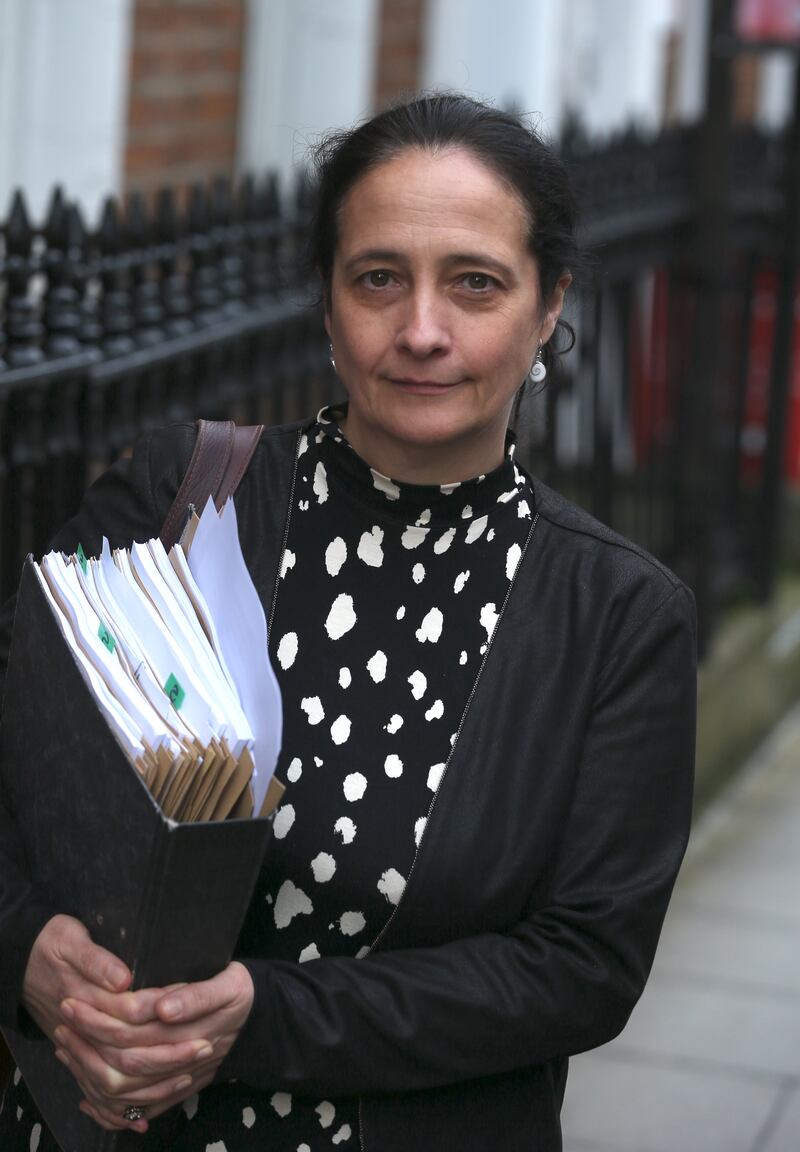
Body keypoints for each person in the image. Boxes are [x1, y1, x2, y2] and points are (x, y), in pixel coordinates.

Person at [0, 93, 696, 1151]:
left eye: (474, 283)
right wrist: (24, 946)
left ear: (547, 305)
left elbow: (580, 968)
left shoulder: (615, 616)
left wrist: (258, 1020)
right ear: (327, 304)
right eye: (378, 278)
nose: (421, 331)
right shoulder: (173, 502)